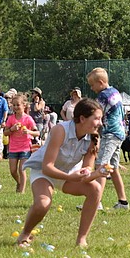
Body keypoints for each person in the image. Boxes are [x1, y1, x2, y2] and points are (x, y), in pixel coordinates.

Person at [18, 98, 106, 248]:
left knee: (95, 189)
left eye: (101, 119)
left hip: (68, 174)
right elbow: (47, 167)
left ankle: (81, 240)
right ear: (83, 118)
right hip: (44, 172)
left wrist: (98, 173)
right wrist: (69, 177)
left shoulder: (93, 138)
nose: (100, 123)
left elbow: (86, 173)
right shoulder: (60, 130)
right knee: (43, 204)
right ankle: (25, 234)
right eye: (97, 118)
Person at [87, 67, 130, 210]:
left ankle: (95, 202)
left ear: (100, 82)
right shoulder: (115, 92)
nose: (92, 88)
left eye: (92, 85)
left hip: (110, 133)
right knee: (114, 168)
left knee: (101, 165)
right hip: (119, 133)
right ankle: (123, 202)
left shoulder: (103, 96)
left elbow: (97, 115)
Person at [5, 93, 39, 194]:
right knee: (13, 171)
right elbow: (5, 132)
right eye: (14, 105)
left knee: (21, 169)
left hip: (25, 147)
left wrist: (28, 132)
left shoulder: (28, 118)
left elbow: (37, 132)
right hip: (13, 148)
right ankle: (19, 182)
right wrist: (12, 129)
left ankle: (22, 192)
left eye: (18, 105)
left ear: (24, 105)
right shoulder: (11, 118)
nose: (15, 107)